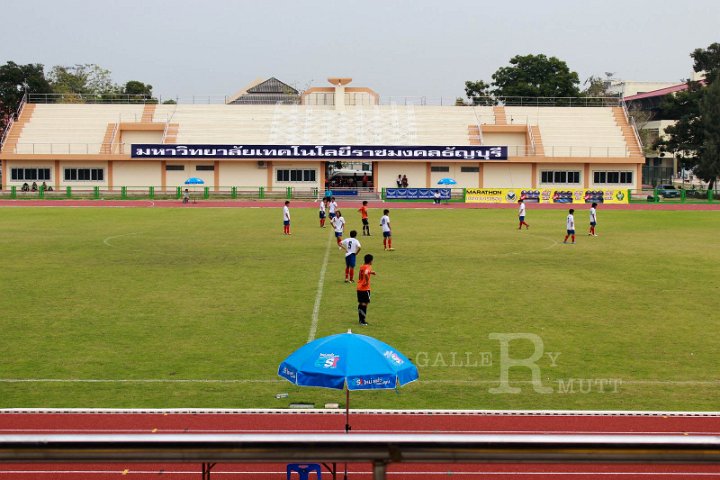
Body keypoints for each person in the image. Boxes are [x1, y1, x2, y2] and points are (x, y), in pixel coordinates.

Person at [356, 253, 376, 326]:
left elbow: (361, 274)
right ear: (370, 261)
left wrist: (371, 272)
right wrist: (367, 281)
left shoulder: (362, 266)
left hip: (359, 287)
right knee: (365, 304)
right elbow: (366, 273)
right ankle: (362, 321)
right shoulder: (369, 266)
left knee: (361, 303)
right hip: (365, 288)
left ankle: (360, 319)